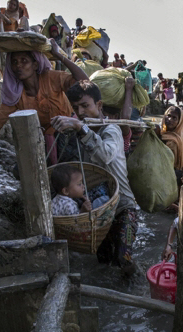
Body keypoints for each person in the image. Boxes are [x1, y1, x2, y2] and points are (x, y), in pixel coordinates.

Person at [50, 80, 138, 275]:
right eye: (75, 108)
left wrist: (80, 128)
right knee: (103, 261)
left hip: (123, 207)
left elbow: (105, 154)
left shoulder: (111, 130)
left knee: (124, 258)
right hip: (99, 211)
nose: (80, 112)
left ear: (99, 106)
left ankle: (134, 286)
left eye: (85, 106)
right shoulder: (80, 134)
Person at [0, 40, 89, 163]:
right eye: (14, 62)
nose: (18, 66)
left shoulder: (51, 78)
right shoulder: (16, 94)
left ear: (35, 64)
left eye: (24, 61)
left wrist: (59, 56)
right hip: (44, 139)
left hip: (69, 134)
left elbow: (84, 82)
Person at [102, 77, 135, 154]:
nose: (102, 118)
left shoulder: (122, 131)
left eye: (105, 115)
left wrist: (129, 90)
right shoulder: (99, 128)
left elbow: (125, 118)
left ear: (115, 116)